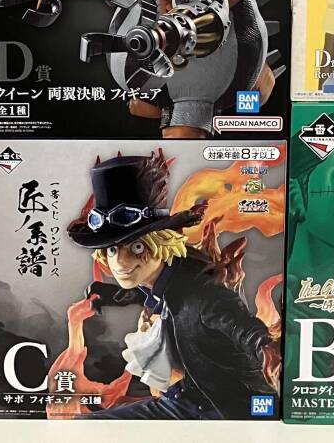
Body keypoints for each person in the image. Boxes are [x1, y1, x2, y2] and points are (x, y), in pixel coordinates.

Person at [52, 153, 277, 419]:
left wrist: (266, 348)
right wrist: (111, 295)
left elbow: (239, 324)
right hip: (182, 400)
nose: (120, 262)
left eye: (137, 247)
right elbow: (150, 293)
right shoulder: (163, 279)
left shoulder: (202, 295)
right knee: (83, 427)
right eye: (112, 250)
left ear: (162, 243)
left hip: (219, 411)